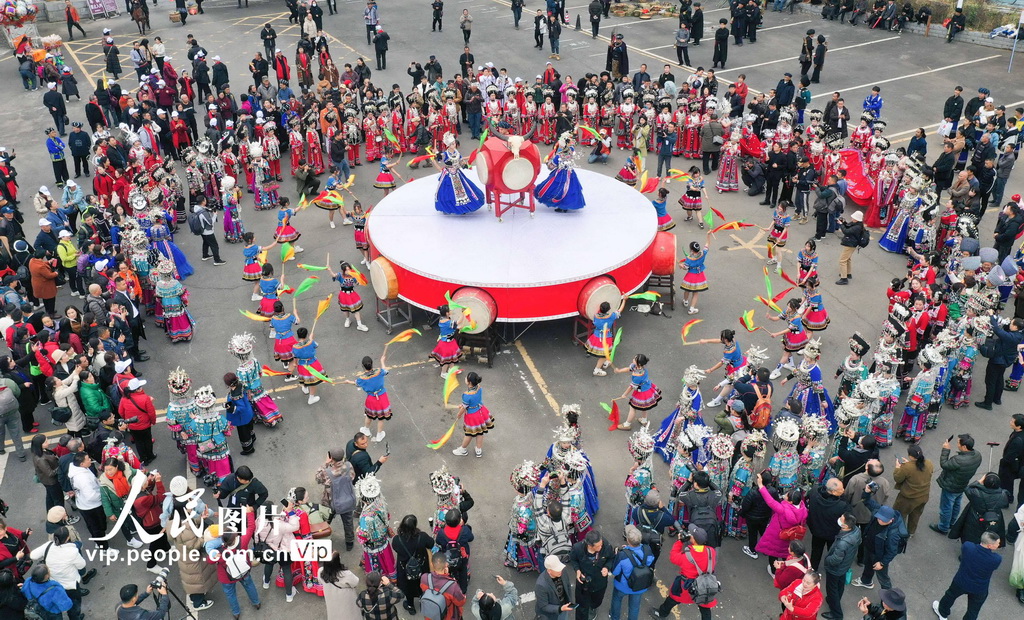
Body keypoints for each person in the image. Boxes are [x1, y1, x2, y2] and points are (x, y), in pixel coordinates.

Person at [649, 525, 716, 620]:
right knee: (705, 607)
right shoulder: (711, 551)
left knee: (673, 599)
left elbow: (673, 557)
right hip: (704, 585)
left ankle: (661, 614)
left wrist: (680, 541)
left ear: (693, 539)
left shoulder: (687, 554)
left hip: (686, 586)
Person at [933, 531, 1001, 620]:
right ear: (989, 546)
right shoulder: (996, 559)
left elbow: (972, 545)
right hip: (979, 588)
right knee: (973, 610)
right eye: (997, 543)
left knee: (950, 596)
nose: (999, 545)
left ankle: (942, 612)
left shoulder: (968, 547)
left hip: (961, 581)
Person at [850, 490, 904, 591]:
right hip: (869, 547)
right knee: (868, 565)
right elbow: (867, 501)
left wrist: (882, 563)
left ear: (891, 520)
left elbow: (892, 552)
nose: (880, 521)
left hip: (879, 556)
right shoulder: (878, 510)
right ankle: (866, 581)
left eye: (884, 520)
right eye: (879, 518)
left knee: (883, 577)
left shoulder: (893, 534)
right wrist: (866, 492)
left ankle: (887, 598)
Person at [930, 434, 982, 535]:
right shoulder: (977, 455)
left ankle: (943, 527)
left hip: (951, 486)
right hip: (962, 484)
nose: (957, 444)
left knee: (946, 507)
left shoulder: (958, 460)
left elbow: (944, 464)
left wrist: (946, 450)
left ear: (964, 447)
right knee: (956, 504)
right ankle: (952, 522)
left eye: (958, 442)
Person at [29, 527, 86, 620]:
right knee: (73, 605)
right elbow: (82, 565)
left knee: (60, 604)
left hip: (54, 583)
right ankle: (75, 618)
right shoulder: (72, 551)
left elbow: (33, 555)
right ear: (67, 538)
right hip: (70, 585)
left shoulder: (48, 545)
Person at [950, 473, 1010, 545]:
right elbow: (1005, 504)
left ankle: (968, 551)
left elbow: (968, 488)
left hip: (975, 516)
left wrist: (980, 481)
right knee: (988, 535)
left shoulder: (976, 492)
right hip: (993, 518)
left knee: (970, 534)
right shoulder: (1003, 495)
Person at [316, 448, 357, 551]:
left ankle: (322, 536)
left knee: (325, 519)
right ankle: (349, 542)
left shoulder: (327, 472)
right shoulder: (348, 465)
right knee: (348, 522)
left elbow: (318, 479)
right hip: (347, 500)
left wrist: (325, 464)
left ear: (331, 459)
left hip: (331, 501)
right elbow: (352, 476)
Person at [609, 525, 653, 620]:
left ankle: (614, 617)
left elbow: (615, 572)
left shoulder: (622, 555)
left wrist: (618, 554)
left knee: (617, 600)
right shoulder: (647, 550)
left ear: (628, 541)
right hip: (639, 585)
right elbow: (650, 561)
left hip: (622, 585)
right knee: (634, 607)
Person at [568, 529, 614, 620]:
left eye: (601, 544)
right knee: (581, 607)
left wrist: (606, 567)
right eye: (598, 546)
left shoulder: (606, 546)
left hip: (599, 583)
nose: (601, 547)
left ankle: (593, 608)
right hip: (583, 584)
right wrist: (577, 570)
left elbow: (611, 558)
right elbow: (573, 559)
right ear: (590, 545)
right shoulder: (577, 548)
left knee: (597, 602)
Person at [391, 515, 433, 613]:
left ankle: (411, 606)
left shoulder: (397, 540)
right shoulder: (422, 536)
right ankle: (423, 603)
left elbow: (395, 548)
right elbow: (431, 544)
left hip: (405, 569)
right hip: (421, 567)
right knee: (422, 585)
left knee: (408, 587)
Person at [822, 513, 860, 620]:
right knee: (839, 585)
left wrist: (827, 560)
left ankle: (836, 613)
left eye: (841, 519)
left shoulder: (843, 543)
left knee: (831, 589)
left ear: (846, 526)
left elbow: (835, 559)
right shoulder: (856, 531)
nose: (839, 519)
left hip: (835, 569)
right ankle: (833, 600)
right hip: (845, 566)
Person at [807, 477, 849, 570]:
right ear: (833, 492)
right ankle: (831, 568)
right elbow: (848, 515)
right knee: (832, 551)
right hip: (832, 533)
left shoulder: (814, 493)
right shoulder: (841, 505)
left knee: (816, 551)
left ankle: (813, 569)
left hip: (816, 530)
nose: (843, 490)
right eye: (841, 489)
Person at [891, 444, 933, 537]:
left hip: (908, 498)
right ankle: (911, 532)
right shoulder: (929, 463)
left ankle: (898, 532)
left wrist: (898, 467)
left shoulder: (907, 467)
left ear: (910, 456)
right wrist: (908, 463)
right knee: (915, 515)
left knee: (899, 514)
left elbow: (898, 478)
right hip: (923, 496)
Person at [319, 551, 360, 620]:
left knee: (335, 612)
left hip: (330, 596)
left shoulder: (320, 571)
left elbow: (320, 581)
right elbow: (355, 582)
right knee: (349, 612)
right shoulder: (346, 574)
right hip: (345, 596)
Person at [536, 555, 574, 620]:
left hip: (563, 607)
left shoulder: (562, 571)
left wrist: (569, 600)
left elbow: (567, 586)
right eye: (557, 569)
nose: (560, 571)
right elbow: (543, 606)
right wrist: (560, 608)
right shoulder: (541, 585)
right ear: (549, 570)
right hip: (550, 615)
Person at [1000, 413, 1024, 508]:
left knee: (1005, 482)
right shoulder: (1018, 433)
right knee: (1008, 482)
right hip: (1016, 464)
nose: (1010, 422)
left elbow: (1010, 457)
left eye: (1012, 421)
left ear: (1018, 426)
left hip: (1011, 466)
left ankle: (1006, 500)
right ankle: (1009, 498)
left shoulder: (1018, 440)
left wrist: (1003, 461)